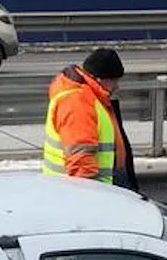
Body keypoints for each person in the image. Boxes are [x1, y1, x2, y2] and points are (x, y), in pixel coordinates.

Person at [41, 47, 138, 191]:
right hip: (87, 192)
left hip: (92, 188)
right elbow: (81, 160)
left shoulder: (91, 96)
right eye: (114, 81)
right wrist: (90, 198)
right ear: (99, 79)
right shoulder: (77, 102)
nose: (117, 86)